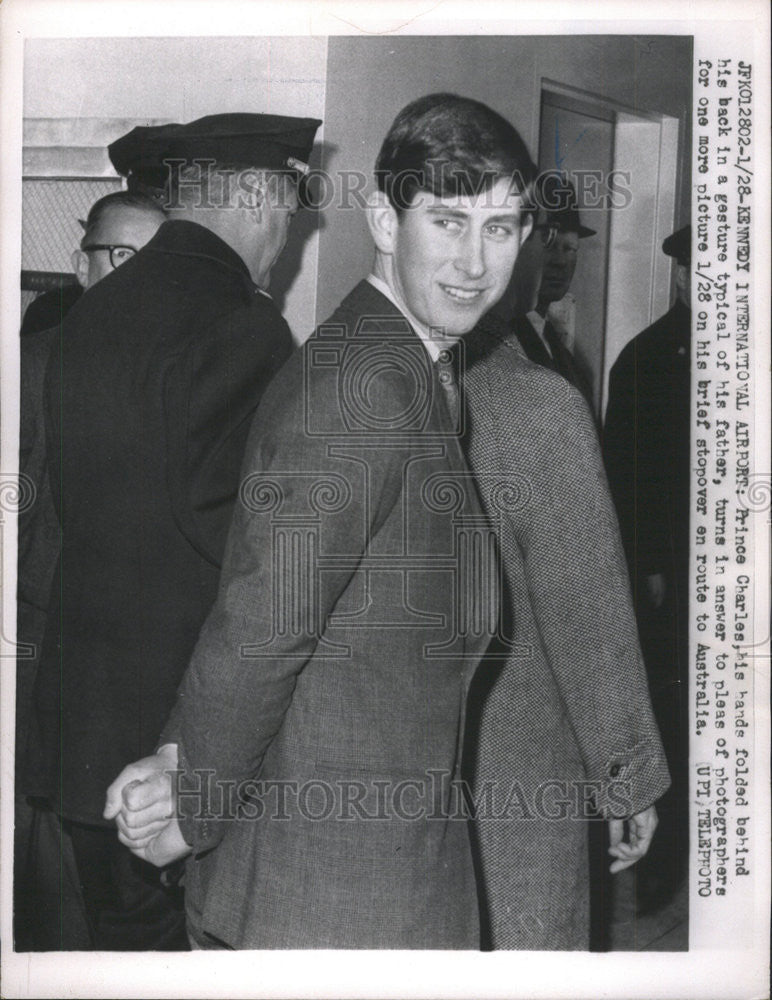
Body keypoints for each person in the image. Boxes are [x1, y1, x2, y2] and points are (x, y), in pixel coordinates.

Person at [105, 92, 537, 950]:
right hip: (330, 890)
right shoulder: (365, 384)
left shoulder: (413, 367)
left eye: (501, 227)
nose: (475, 260)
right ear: (383, 218)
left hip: (369, 863)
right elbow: (266, 620)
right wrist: (196, 801)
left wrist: (184, 765)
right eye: (448, 221)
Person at [21, 112, 320, 950]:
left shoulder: (87, 315)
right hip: (176, 733)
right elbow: (245, 548)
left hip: (84, 718)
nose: (284, 245)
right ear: (261, 196)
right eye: (290, 215)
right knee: (193, 947)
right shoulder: (244, 324)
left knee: (120, 942)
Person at [456, 305, 670, 949]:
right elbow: (585, 612)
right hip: (514, 760)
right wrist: (624, 779)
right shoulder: (529, 400)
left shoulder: (323, 375)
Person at [15, 190, 166, 951]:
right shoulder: (31, 373)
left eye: (161, 263)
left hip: (144, 714)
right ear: (81, 266)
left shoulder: (188, 383)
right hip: (44, 705)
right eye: (122, 259)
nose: (141, 282)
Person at [602, 223, 691, 910]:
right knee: (671, 716)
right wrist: (651, 569)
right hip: (671, 583)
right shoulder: (648, 359)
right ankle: (660, 877)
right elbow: (627, 478)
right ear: (683, 277)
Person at [493, 173, 595, 409]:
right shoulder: (502, 337)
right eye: (549, 244)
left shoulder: (564, 354)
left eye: (570, 248)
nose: (560, 261)